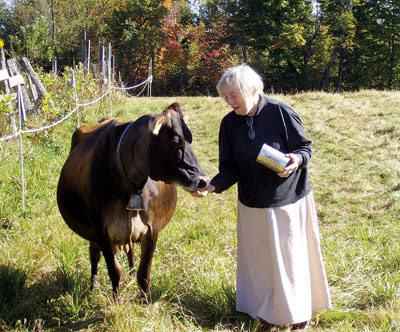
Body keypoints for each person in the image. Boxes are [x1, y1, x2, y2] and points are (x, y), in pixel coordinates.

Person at [192, 64, 331, 329]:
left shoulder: (280, 112)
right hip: (251, 202)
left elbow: (305, 148)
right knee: (260, 261)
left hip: (287, 201)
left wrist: (295, 160)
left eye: (234, 95)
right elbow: (230, 168)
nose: (229, 101)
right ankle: (266, 311)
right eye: (225, 96)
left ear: (252, 90)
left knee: (289, 260)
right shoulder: (229, 124)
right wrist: (212, 187)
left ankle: (297, 313)